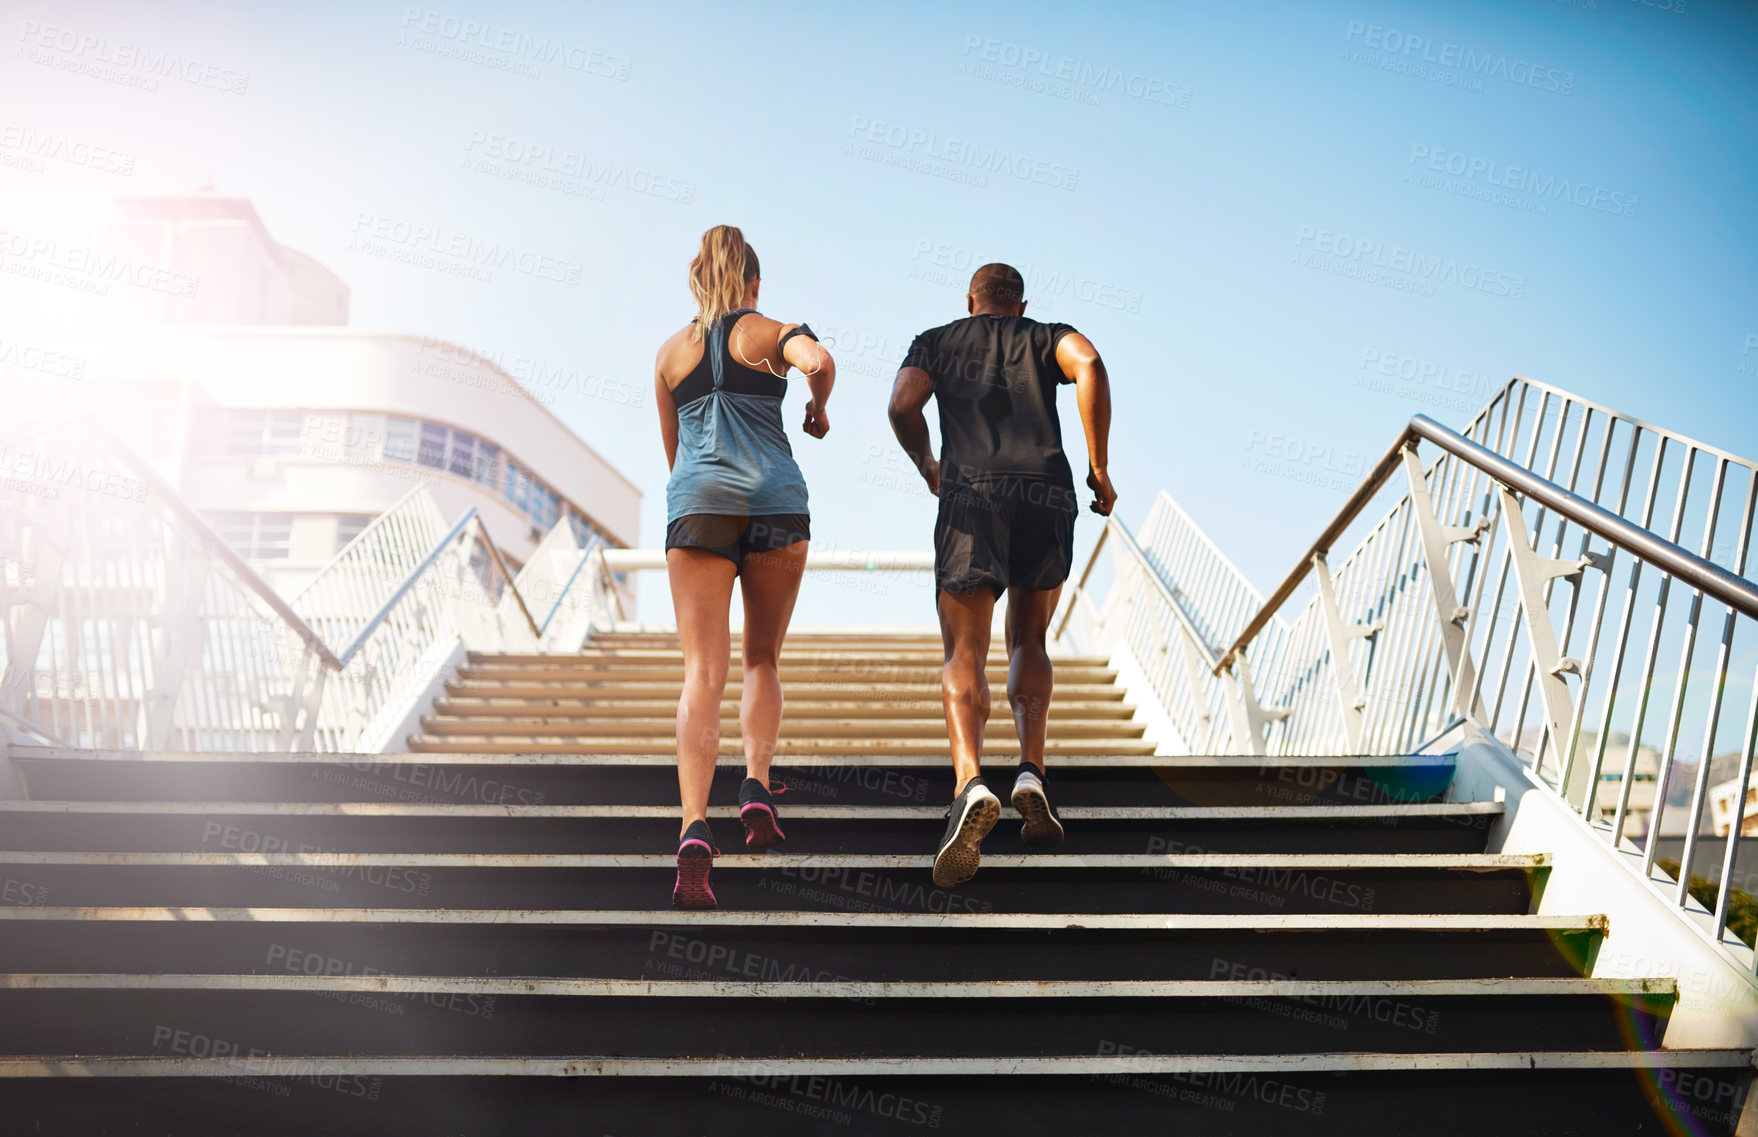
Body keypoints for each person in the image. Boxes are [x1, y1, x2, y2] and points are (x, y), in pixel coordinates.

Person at [888, 262, 1116, 888]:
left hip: (972, 493)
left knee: (965, 647)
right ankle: (1031, 772)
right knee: (1030, 641)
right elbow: (1090, 365)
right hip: (1046, 490)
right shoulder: (1048, 336)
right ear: (1021, 304)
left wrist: (928, 464)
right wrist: (1098, 468)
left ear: (971, 301)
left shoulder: (936, 340)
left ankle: (969, 784)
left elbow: (902, 402)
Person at [654, 225, 834, 909]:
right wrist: (816, 404)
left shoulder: (671, 354)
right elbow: (817, 359)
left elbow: (673, 453)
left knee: (703, 671)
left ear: (698, 281)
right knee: (763, 659)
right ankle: (756, 780)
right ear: (753, 282)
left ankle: (695, 825)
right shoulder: (770, 330)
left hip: (698, 504)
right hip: (776, 504)